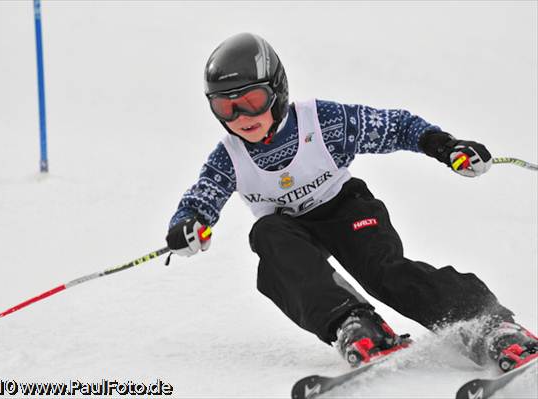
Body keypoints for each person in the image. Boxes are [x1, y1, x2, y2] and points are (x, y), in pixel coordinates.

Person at [165, 32, 537, 371]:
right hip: (291, 231)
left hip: (346, 209)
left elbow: (395, 126)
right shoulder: (229, 156)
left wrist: (444, 146)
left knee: (384, 272)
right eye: (225, 107)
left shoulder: (321, 122)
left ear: (277, 91)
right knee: (268, 236)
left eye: (252, 101)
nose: (241, 117)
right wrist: (189, 223)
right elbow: (203, 195)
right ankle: (351, 322)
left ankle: (488, 324)